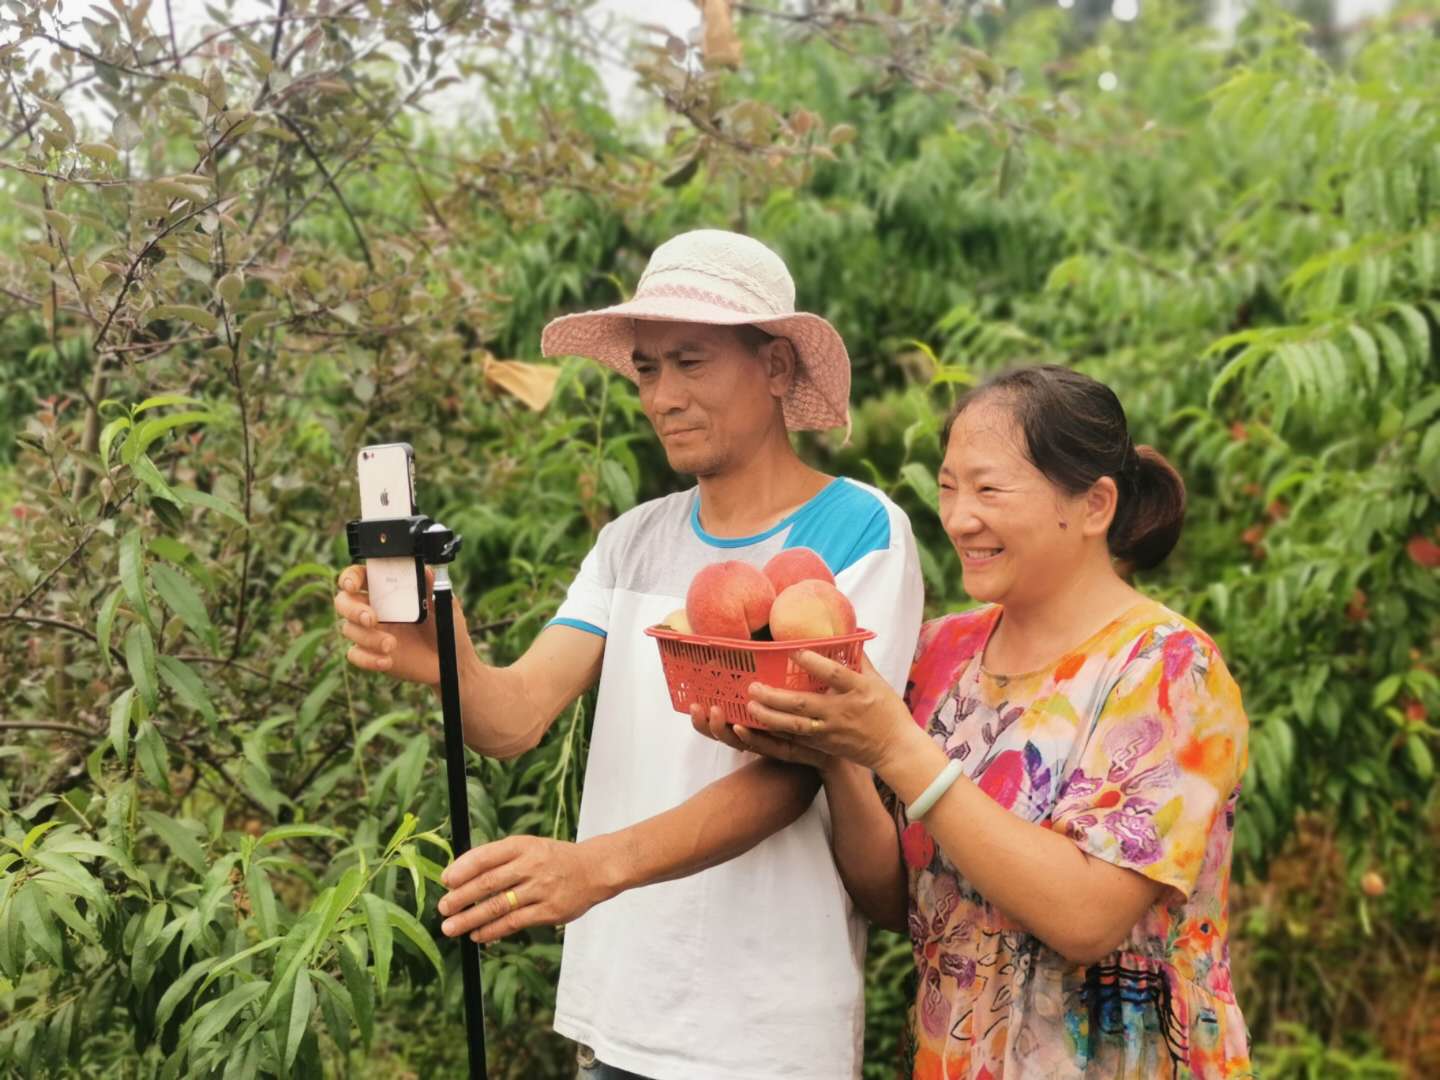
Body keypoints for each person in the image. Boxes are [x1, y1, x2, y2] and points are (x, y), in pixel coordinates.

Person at [333, 229, 925, 1079]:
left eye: (691, 361)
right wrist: (445, 657)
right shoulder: (630, 542)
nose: (663, 396)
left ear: (777, 368)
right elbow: (514, 719)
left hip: (762, 1028)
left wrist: (594, 866)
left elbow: (801, 766)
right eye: (648, 368)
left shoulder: (858, 532)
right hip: (617, 1012)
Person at [704, 365, 1253, 1078]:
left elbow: (1086, 916)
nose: (960, 517)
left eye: (989, 488)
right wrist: (836, 756)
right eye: (949, 487)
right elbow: (904, 903)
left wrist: (897, 748)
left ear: (1094, 505)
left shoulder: (1170, 668)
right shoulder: (941, 651)